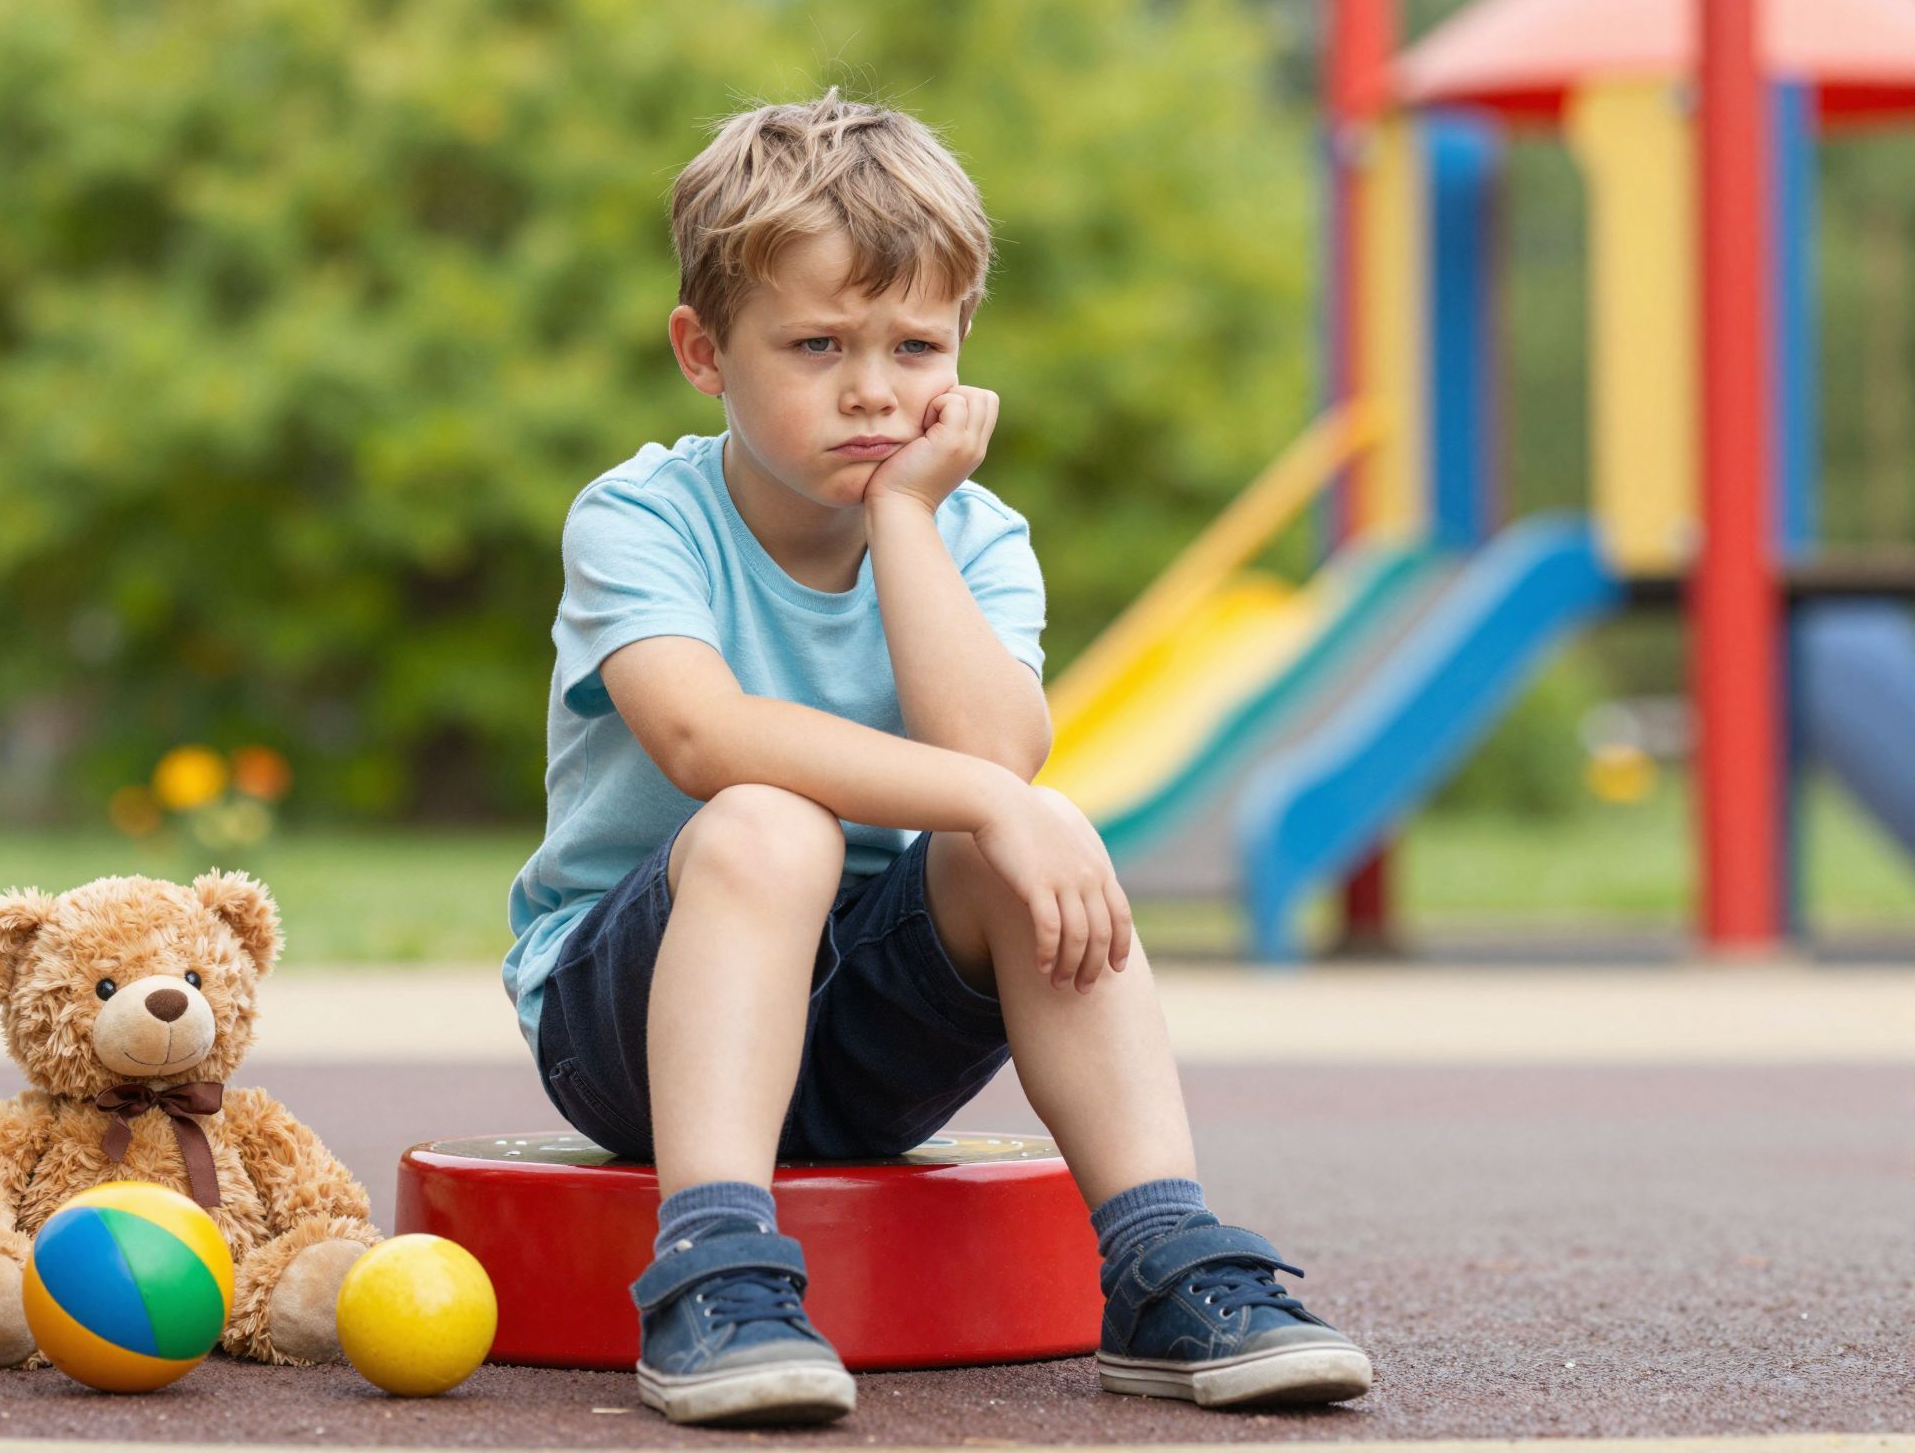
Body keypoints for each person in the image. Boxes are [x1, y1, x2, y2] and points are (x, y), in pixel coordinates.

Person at [503, 85, 1373, 1427]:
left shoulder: (976, 535)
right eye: (815, 344)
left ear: (964, 345)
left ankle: (1159, 1251)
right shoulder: (639, 517)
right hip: (632, 1021)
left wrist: (908, 519)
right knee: (769, 819)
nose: (872, 391)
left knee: (1019, 844)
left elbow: (996, 758)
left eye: (915, 347)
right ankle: (711, 1268)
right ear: (703, 350)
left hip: (867, 1040)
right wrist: (992, 796)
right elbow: (700, 734)